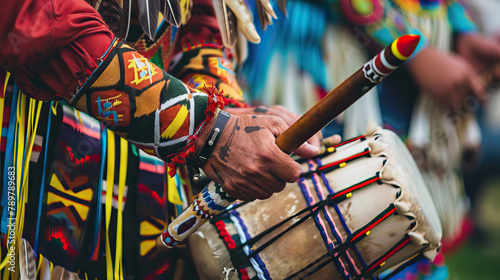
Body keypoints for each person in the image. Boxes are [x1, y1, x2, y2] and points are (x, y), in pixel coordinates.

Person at [0, 0, 321, 204]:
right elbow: (32, 17)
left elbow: (195, 23)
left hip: (138, 187)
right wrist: (205, 129)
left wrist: (227, 112)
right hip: (21, 163)